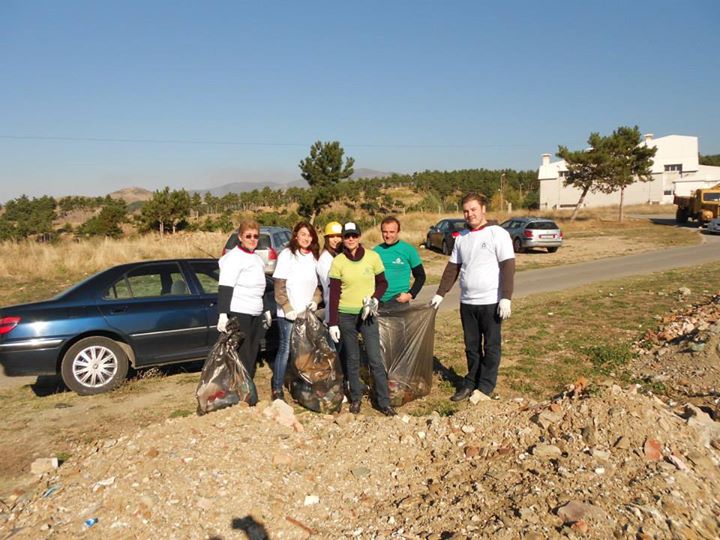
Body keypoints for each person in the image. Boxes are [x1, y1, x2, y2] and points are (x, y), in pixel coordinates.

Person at [430, 193, 515, 401]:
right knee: (471, 347)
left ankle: (485, 387)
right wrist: (440, 293)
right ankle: (471, 382)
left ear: (483, 209)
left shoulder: (498, 234)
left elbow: (508, 266)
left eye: (474, 209)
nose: (470, 214)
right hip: (467, 302)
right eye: (466, 211)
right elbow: (453, 268)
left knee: (491, 346)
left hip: (491, 301)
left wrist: (506, 297)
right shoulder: (462, 237)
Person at [327, 222, 397, 416]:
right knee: (352, 358)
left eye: (354, 235)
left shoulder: (372, 257)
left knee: (375, 358)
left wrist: (374, 299)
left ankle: (383, 401)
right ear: (343, 238)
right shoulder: (338, 262)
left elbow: (383, 283)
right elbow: (334, 294)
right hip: (346, 315)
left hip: (368, 314)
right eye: (347, 236)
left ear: (359, 237)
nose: (351, 239)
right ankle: (356, 398)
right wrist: (333, 322)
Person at [217, 219, 272, 386]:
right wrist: (223, 314)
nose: (253, 239)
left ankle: (247, 385)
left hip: (256, 311)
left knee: (253, 351)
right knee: (242, 352)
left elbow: (260, 287)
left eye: (256, 236)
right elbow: (225, 287)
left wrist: (266, 309)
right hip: (240, 310)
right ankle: (240, 387)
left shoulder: (256, 258)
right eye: (248, 236)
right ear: (240, 237)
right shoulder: (233, 258)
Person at [271, 222, 322, 401]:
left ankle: (303, 385)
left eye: (309, 235)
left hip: (306, 313)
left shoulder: (314, 257)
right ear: (295, 236)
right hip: (289, 314)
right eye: (303, 234)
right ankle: (277, 387)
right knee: (285, 349)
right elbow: (279, 285)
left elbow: (318, 285)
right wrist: (287, 307)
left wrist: (315, 300)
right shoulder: (287, 255)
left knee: (304, 351)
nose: (306, 238)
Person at [373, 216, 426, 305]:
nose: (388, 235)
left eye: (392, 232)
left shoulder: (408, 250)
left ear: (398, 232)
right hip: (378, 301)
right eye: (385, 232)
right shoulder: (376, 251)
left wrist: (410, 295)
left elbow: (421, 276)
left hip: (399, 301)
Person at [316, 221, 343, 324]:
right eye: (332, 236)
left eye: (338, 236)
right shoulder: (325, 260)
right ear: (326, 239)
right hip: (333, 310)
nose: (336, 239)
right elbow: (331, 287)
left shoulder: (339, 255)